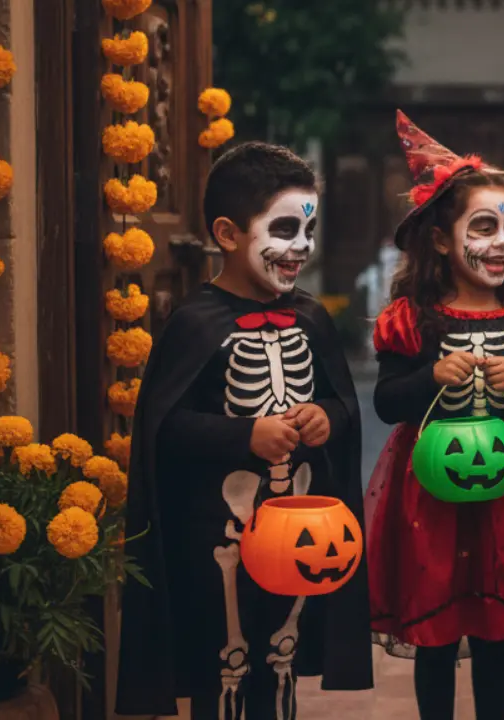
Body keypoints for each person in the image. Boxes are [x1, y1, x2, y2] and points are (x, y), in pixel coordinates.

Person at [117, 142, 373, 719]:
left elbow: (342, 405)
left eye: (308, 230)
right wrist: (243, 436)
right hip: (217, 534)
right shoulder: (194, 322)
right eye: (284, 229)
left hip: (298, 526)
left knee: (281, 657)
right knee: (224, 662)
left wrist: (325, 417)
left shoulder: (311, 317)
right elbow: (165, 428)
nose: (300, 247)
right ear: (229, 234)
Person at [364, 111, 504, 720]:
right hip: (429, 492)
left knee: (494, 627)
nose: (501, 242)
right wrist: (428, 375)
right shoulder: (413, 319)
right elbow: (385, 401)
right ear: (440, 239)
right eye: (484, 226)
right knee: (436, 626)